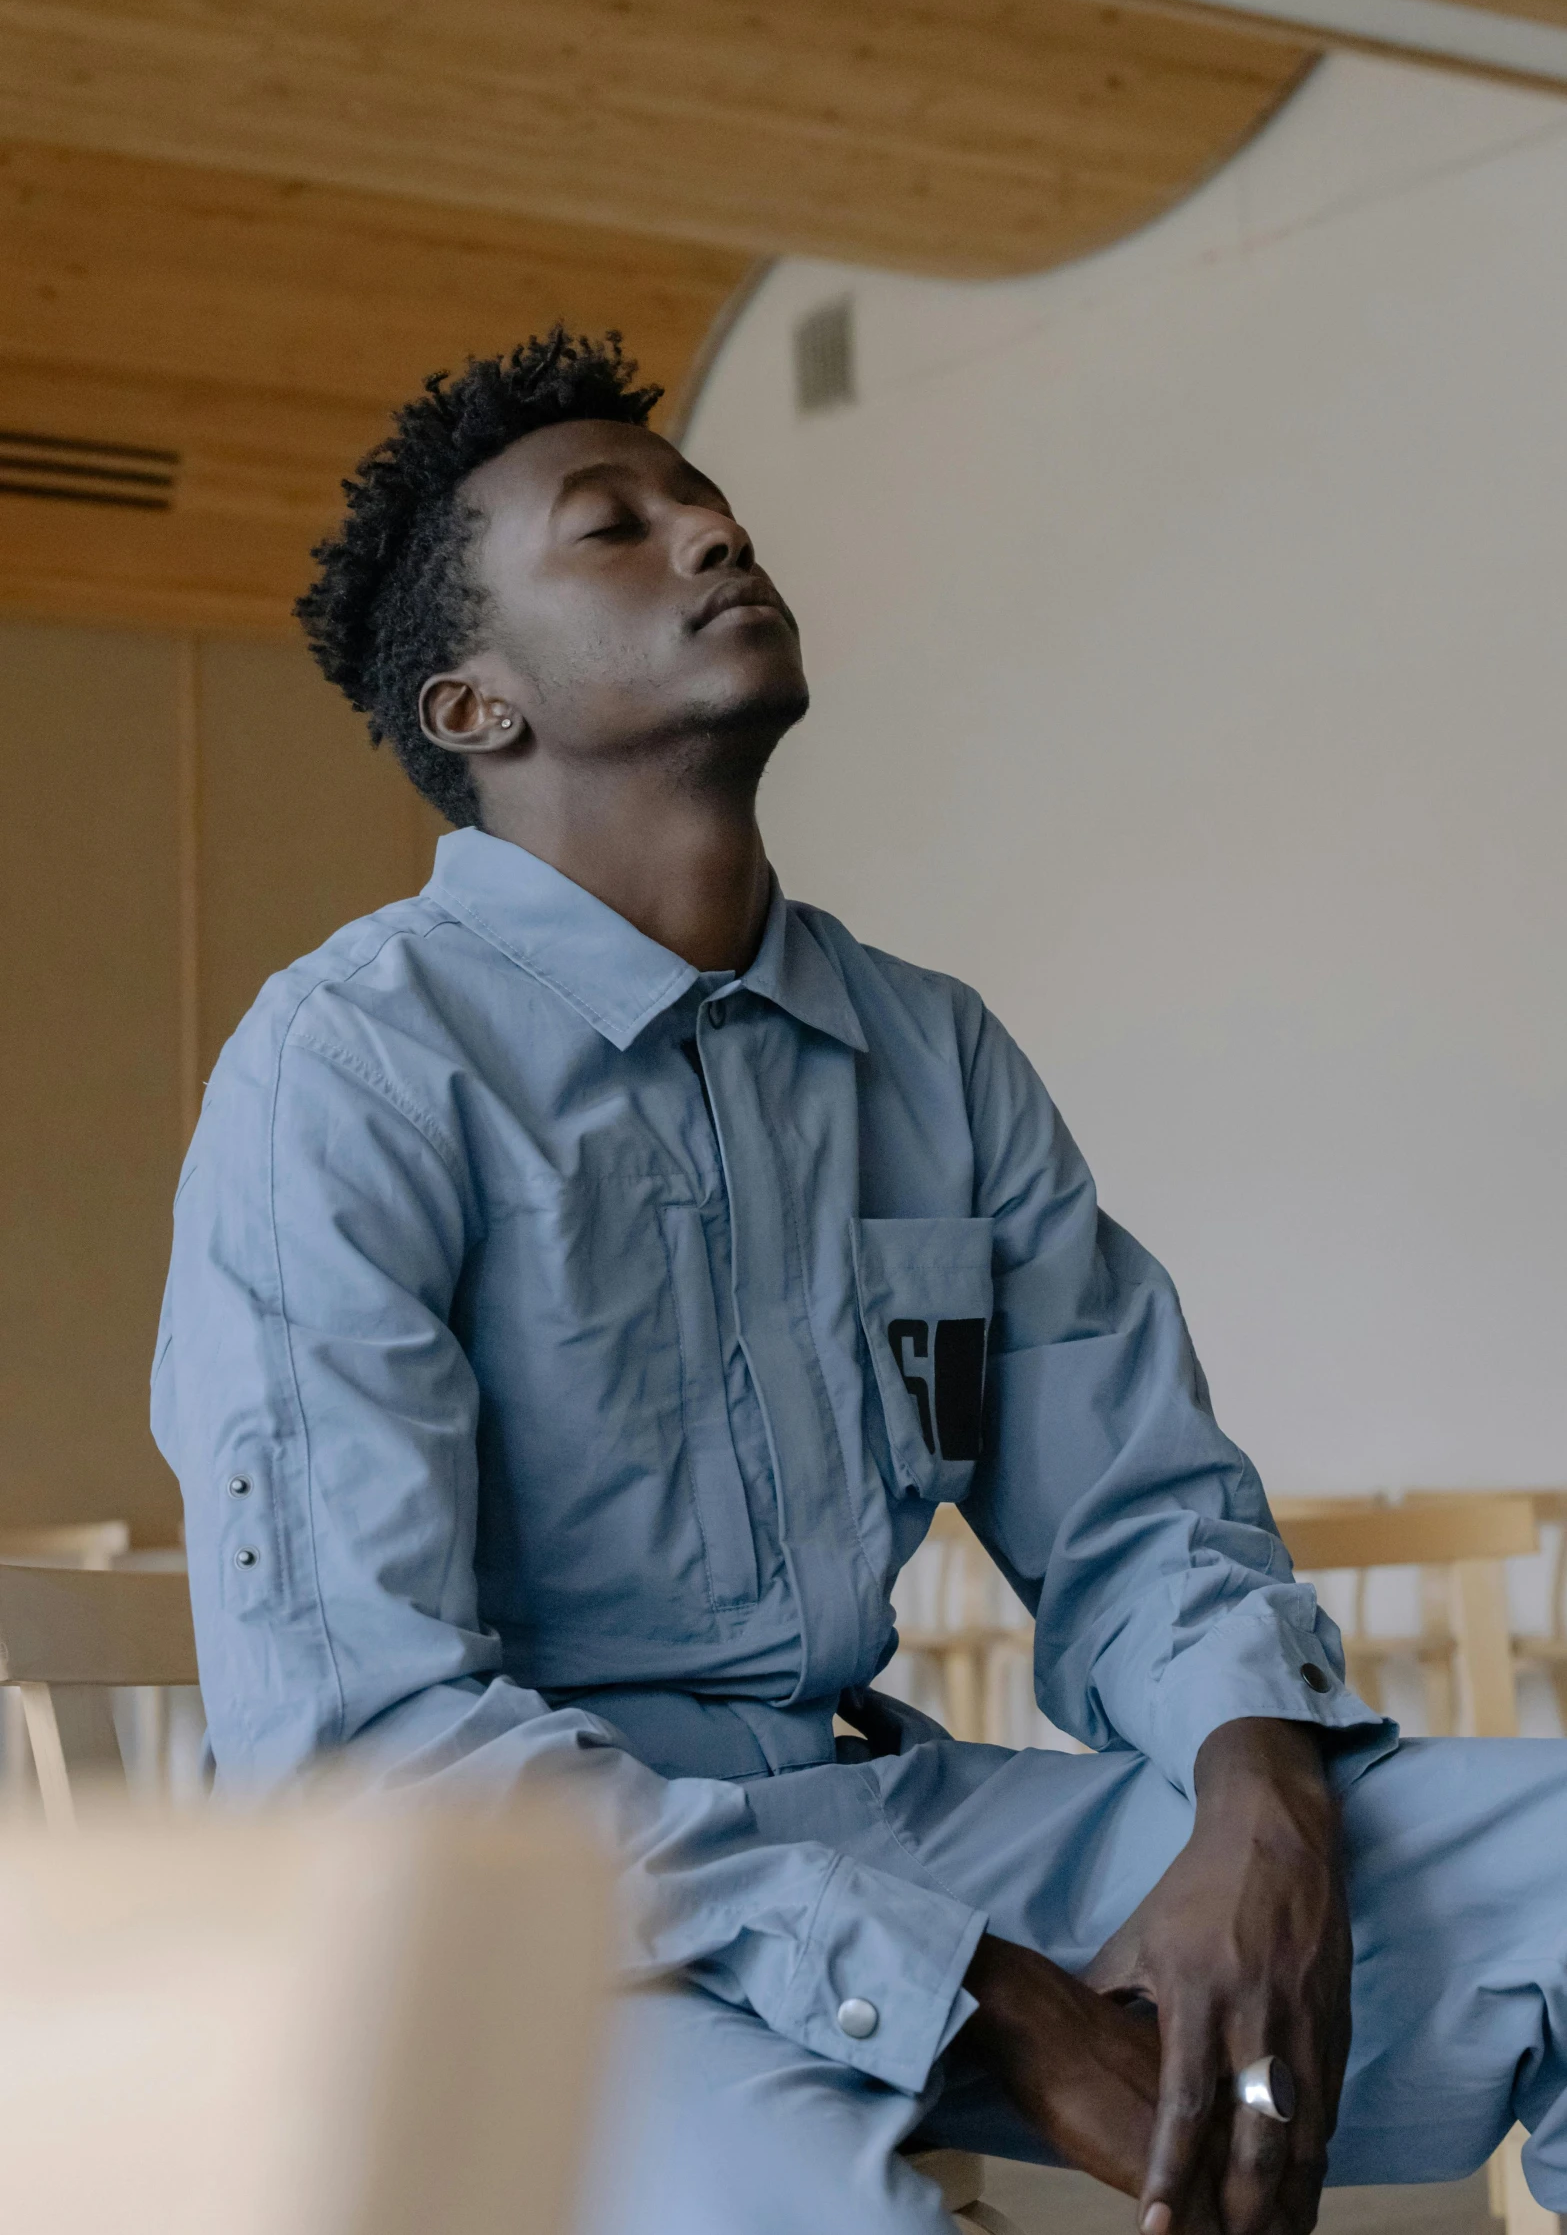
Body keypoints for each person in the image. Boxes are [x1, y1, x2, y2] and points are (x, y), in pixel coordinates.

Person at [152, 331, 1566, 2235]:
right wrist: (985, 1991)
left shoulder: (929, 1052)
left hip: (894, 1822)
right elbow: (373, 1749)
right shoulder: (349, 1069)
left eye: (709, 501)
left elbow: (1137, 1512)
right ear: (472, 702)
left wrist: (1262, 1793)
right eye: (616, 526)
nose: (712, 531)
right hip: (531, 1925)